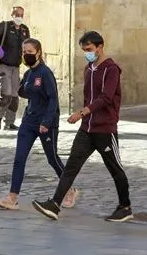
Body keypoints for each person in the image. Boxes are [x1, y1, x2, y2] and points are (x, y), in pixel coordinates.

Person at [32, 31, 132, 223]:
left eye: (89, 49)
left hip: (104, 129)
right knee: (71, 166)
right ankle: (55, 204)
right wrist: (85, 116)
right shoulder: (88, 69)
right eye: (84, 50)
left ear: (100, 47)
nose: (87, 53)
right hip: (87, 129)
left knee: (115, 168)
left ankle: (125, 207)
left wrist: (82, 112)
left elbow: (106, 97)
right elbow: (89, 96)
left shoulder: (111, 69)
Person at [0, 38, 77, 210]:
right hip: (29, 122)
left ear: (39, 53)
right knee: (19, 158)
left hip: (46, 124)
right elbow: (25, 92)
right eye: (24, 52)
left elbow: (53, 99)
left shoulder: (45, 73)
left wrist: (47, 121)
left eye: (30, 52)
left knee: (52, 159)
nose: (26, 55)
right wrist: (17, 86)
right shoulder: (28, 74)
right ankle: (12, 198)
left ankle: (70, 190)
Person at [0, 6, 30, 130]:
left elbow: (28, 45)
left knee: (14, 97)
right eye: (17, 14)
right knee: (6, 94)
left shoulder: (24, 30)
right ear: (12, 14)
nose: (19, 17)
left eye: (21, 15)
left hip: (16, 67)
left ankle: (9, 122)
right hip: (3, 65)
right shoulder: (4, 26)